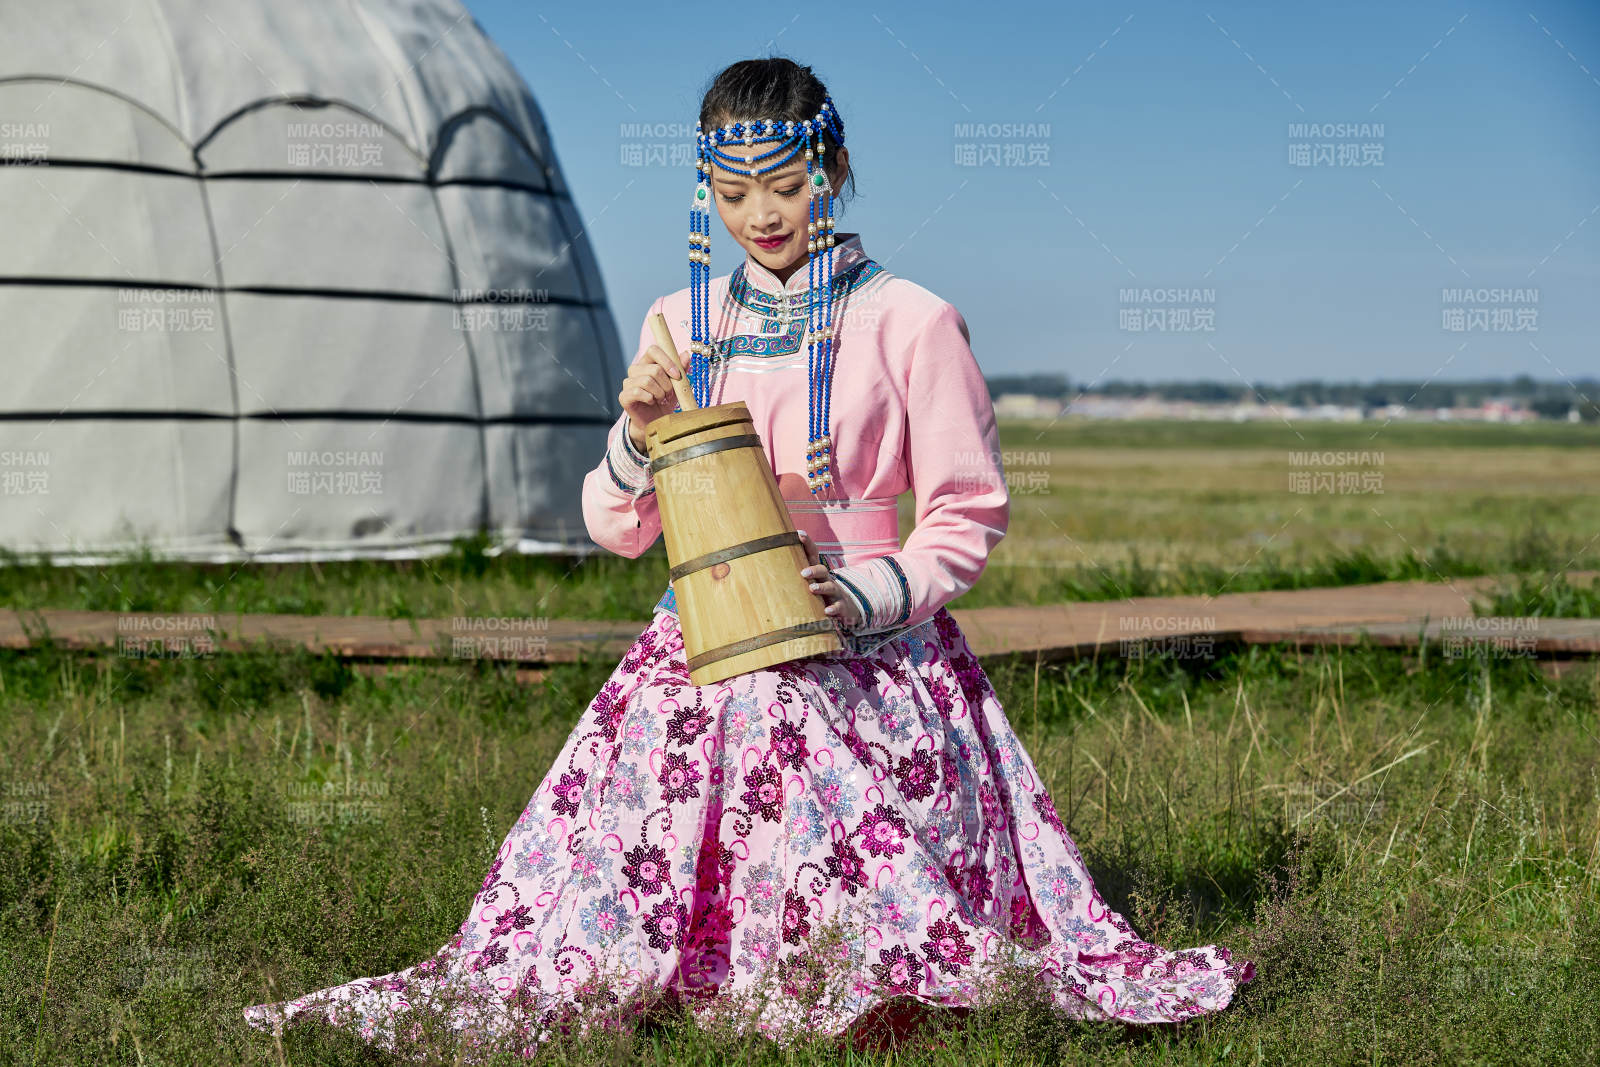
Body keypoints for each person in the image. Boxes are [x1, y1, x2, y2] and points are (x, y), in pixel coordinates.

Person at [243, 57, 1251, 1059]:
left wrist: (861, 594)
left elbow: (965, 512)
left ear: (833, 168)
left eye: (784, 184)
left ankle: (851, 972)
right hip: (704, 642)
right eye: (733, 192)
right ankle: (697, 967)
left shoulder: (909, 320)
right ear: (705, 190)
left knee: (808, 768)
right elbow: (616, 527)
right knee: (572, 934)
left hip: (868, 641)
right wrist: (639, 434)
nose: (760, 213)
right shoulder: (681, 324)